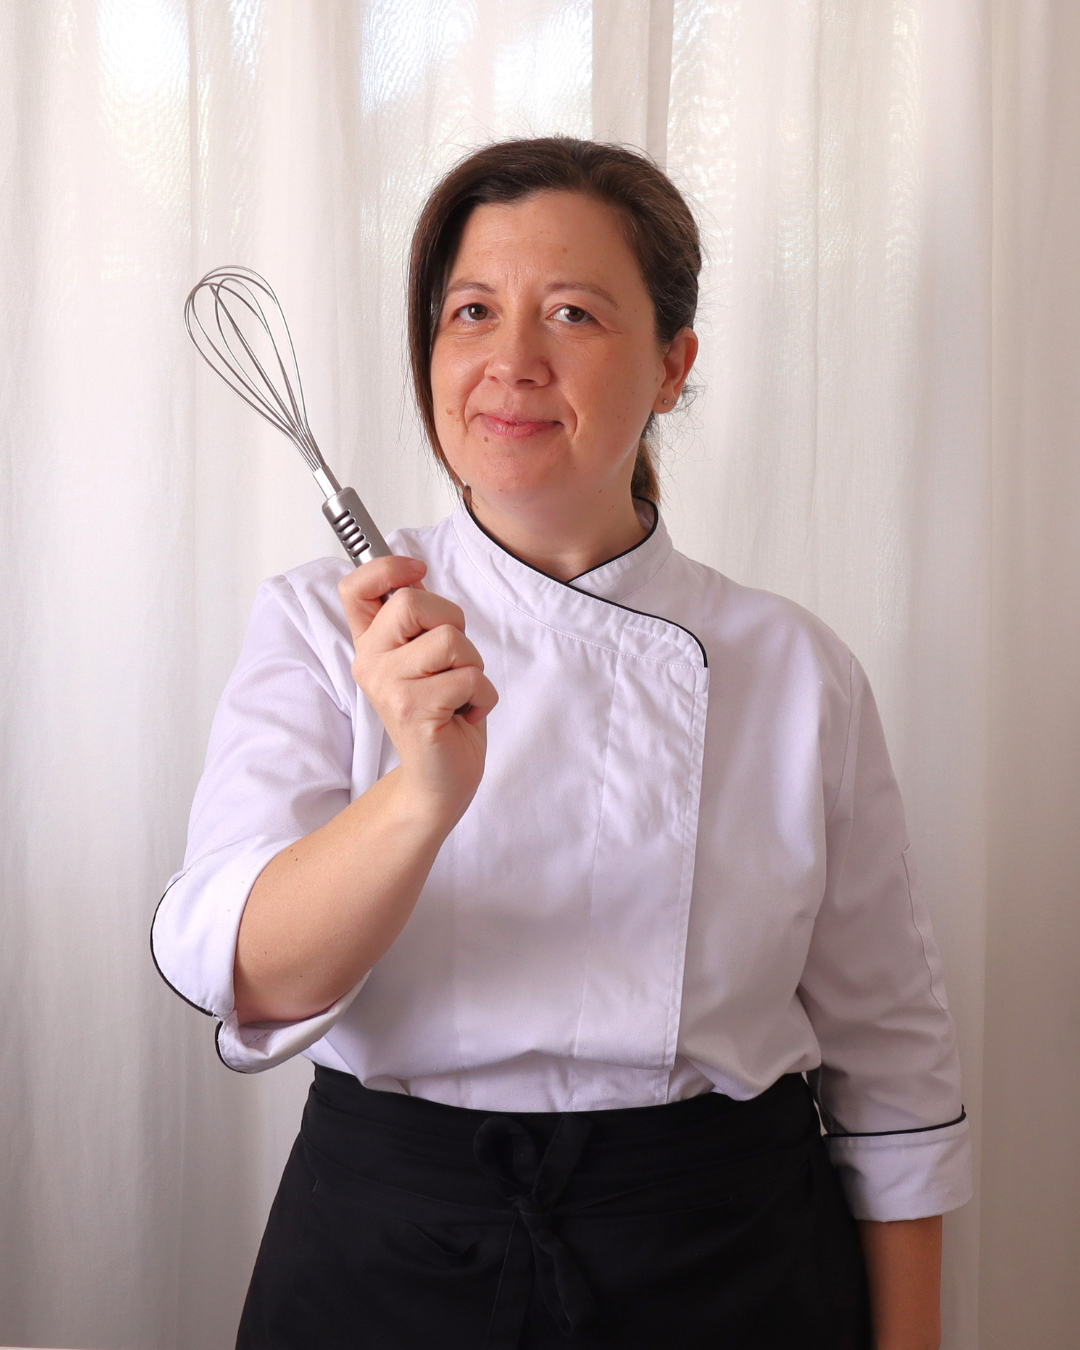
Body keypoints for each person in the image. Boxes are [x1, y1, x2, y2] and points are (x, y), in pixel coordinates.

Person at [152, 137, 971, 1350]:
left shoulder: (797, 668)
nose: (511, 362)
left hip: (729, 1262)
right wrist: (421, 795)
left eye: (574, 313)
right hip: (389, 1256)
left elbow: (893, 1070)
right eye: (472, 311)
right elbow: (246, 974)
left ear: (672, 366)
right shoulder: (325, 626)